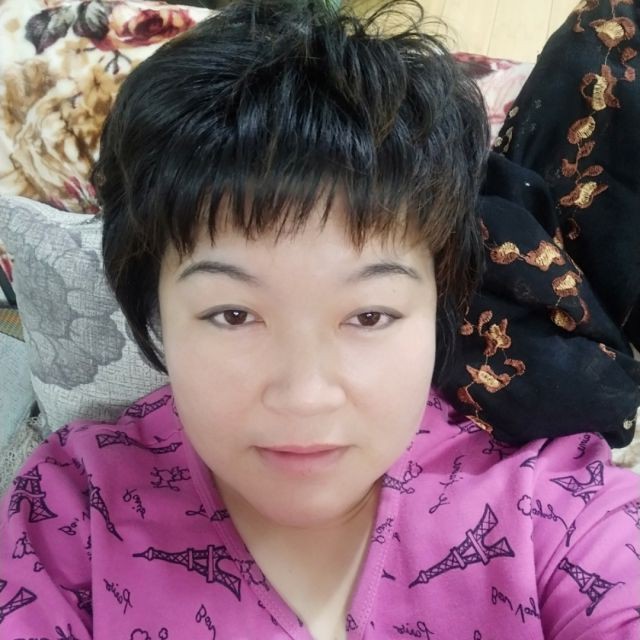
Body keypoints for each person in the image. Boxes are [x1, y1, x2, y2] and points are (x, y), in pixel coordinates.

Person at [1, 1, 638, 638]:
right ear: (156, 307)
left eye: (369, 315)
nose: (305, 397)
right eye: (233, 314)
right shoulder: (70, 514)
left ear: (438, 304)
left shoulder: (553, 510)